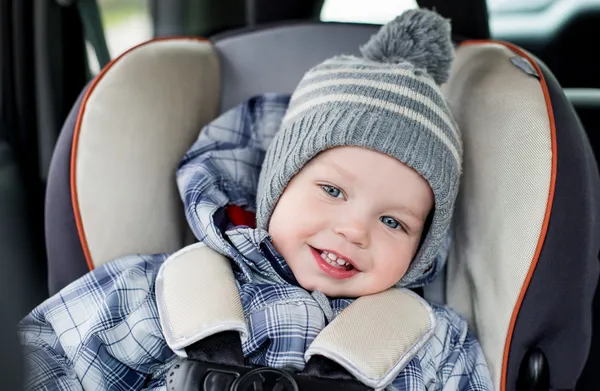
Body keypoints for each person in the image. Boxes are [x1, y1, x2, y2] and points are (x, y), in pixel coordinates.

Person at [18, 8, 492, 390]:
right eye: (332, 191)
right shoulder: (155, 290)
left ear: (423, 247)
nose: (354, 229)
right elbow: (38, 361)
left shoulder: (433, 346)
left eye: (394, 222)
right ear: (276, 186)